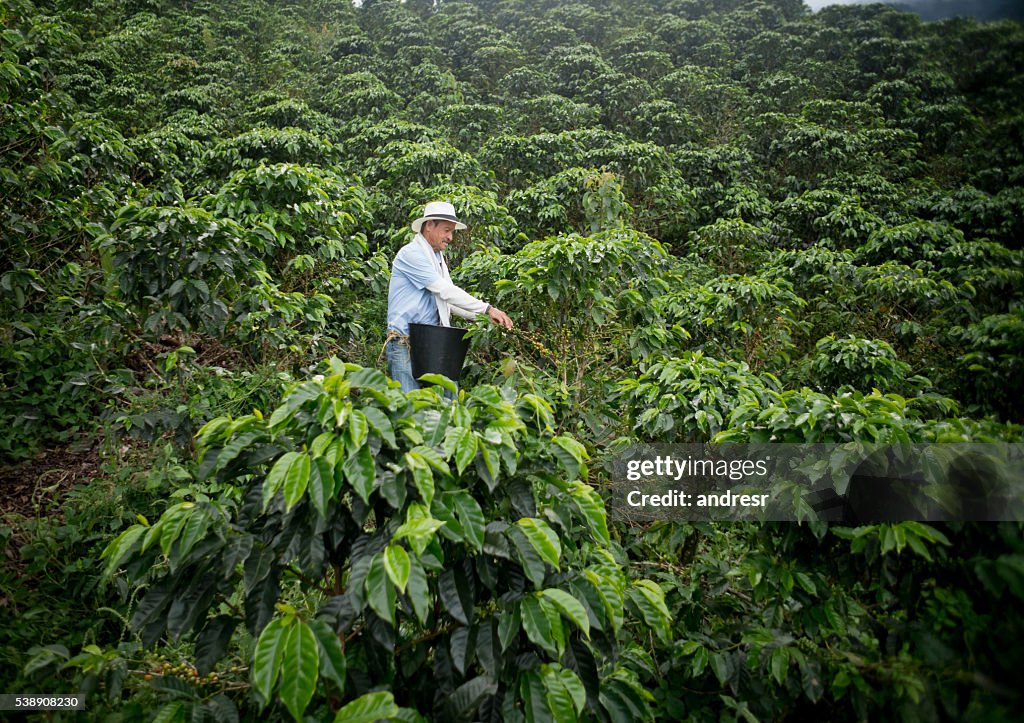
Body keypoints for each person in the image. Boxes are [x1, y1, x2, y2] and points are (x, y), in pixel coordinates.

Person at [385, 201, 513, 393]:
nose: (450, 237)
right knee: (409, 409)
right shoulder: (411, 254)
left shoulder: (436, 259)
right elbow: (445, 291)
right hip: (404, 344)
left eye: (452, 231)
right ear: (429, 225)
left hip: (430, 342)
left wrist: (484, 316)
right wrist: (487, 308)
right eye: (446, 230)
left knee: (447, 401)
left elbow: (448, 303)